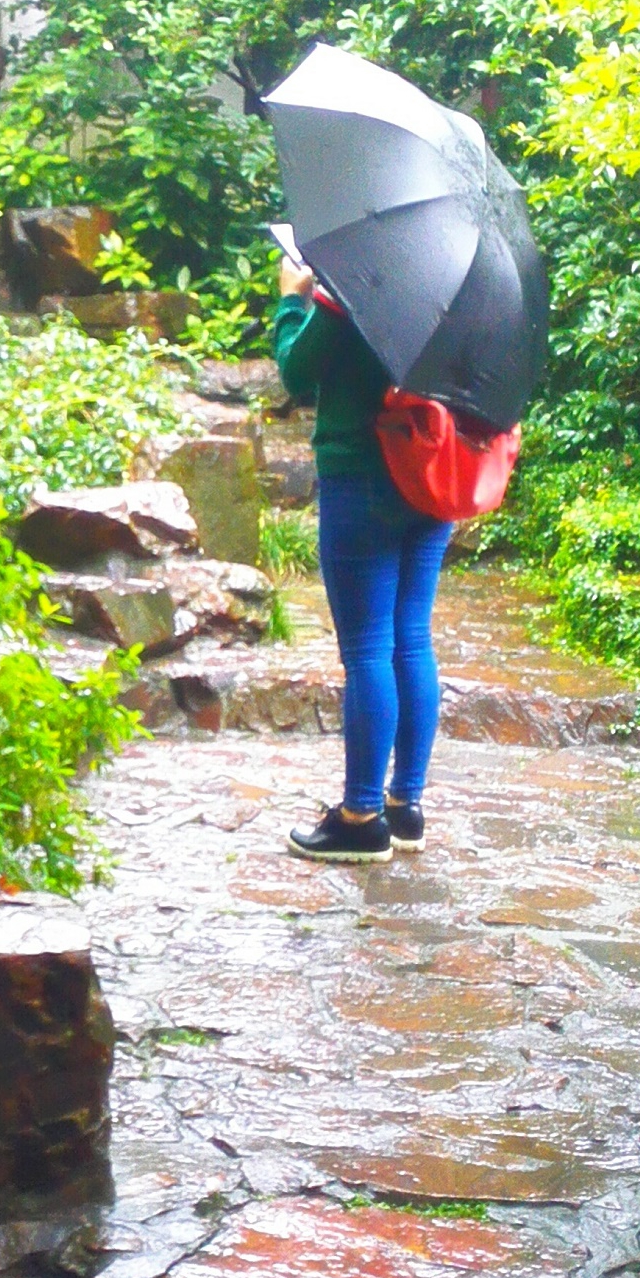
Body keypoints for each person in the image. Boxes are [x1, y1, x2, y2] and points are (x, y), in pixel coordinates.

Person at [271, 253, 455, 860]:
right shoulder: (457, 279)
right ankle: (405, 806)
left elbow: (297, 371)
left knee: (370, 648)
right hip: (433, 476)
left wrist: (292, 298)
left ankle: (360, 815)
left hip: (362, 475)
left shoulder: (359, 275)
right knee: (411, 638)